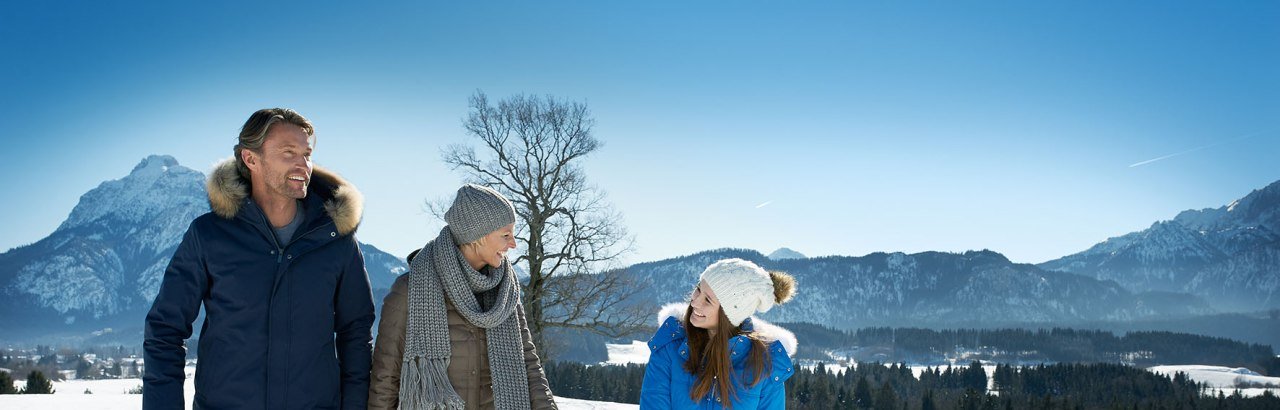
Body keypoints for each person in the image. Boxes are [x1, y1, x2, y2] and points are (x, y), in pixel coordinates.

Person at [143, 108, 375, 409]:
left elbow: (356, 334)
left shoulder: (336, 241)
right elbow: (164, 331)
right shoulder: (209, 235)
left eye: (306, 154)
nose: (303, 165)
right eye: (288, 153)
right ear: (251, 159)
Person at [369, 184, 555, 410]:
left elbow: (529, 367)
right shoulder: (410, 289)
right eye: (505, 235)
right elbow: (386, 376)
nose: (513, 244)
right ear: (477, 236)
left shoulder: (506, 291)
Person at [641, 258, 797, 409]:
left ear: (730, 315)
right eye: (698, 289)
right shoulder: (669, 347)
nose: (694, 302)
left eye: (708, 300)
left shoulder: (765, 364)